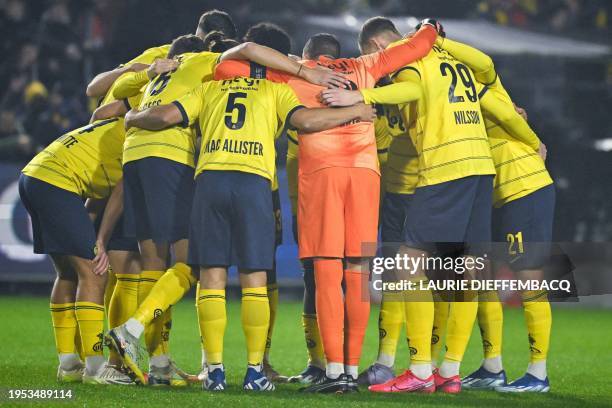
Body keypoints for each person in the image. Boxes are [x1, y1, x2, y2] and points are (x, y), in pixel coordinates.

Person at [323, 16, 545, 394]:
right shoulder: (451, 59)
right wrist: (535, 141)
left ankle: (420, 371)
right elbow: (499, 98)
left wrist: (361, 95)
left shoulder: (404, 59)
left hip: (444, 170)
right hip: (480, 170)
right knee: (468, 273)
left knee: (407, 267)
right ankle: (451, 370)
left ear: (380, 48)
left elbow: (409, 91)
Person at [215, 20, 440, 393]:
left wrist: (298, 68)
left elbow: (225, 64)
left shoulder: (290, 75)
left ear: (307, 55)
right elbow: (418, 46)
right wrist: (430, 25)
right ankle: (352, 371)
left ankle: (333, 373)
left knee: (325, 270)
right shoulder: (365, 66)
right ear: (341, 54)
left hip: (322, 174)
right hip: (366, 174)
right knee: (358, 271)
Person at [114, 74, 376, 392]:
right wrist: (357, 110)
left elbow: (165, 115)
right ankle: (254, 373)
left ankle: (214, 372)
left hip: (211, 179)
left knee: (211, 276)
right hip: (253, 182)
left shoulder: (208, 87)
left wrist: (132, 115)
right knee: (255, 278)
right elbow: (307, 120)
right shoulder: (274, 89)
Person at [438, 37, 554, 393]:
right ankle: (492, 366)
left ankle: (538, 373)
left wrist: (534, 141)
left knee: (529, 280)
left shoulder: (485, 87)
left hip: (525, 188)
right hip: (499, 197)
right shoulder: (457, 104)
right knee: (482, 278)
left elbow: (484, 62)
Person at [19, 93, 141, 385]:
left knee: (68, 273)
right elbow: (120, 195)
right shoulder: (140, 140)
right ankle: (96, 369)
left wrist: (91, 240)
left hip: (34, 175)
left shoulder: (113, 127)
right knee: (95, 274)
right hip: (56, 182)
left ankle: (69, 364)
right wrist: (99, 242)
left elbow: (95, 201)